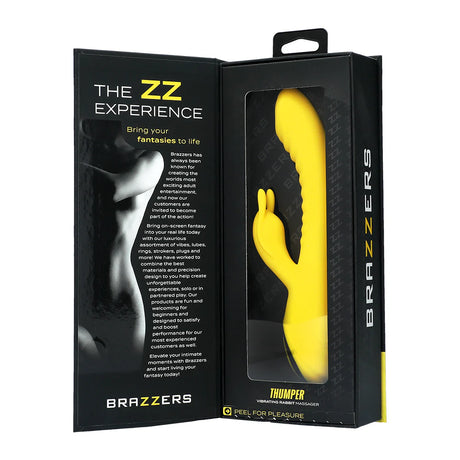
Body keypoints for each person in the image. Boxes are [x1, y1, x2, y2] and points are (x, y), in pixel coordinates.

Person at [77, 120, 164, 372]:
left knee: (122, 382)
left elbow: (112, 188)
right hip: (80, 296)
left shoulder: (149, 158)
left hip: (120, 300)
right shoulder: (82, 154)